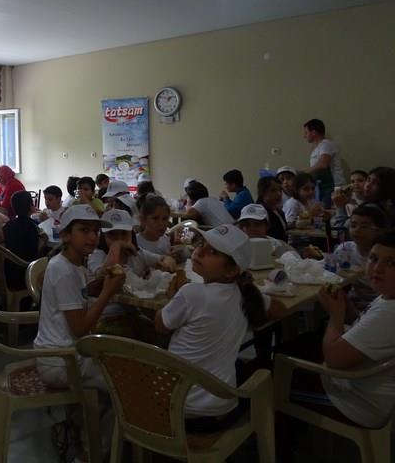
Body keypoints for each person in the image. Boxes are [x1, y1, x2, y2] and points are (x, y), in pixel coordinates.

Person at [154, 225, 284, 431]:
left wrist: (171, 299)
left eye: (213, 251)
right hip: (222, 408)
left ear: (232, 270)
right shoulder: (246, 294)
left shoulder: (191, 293)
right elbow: (279, 309)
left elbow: (160, 326)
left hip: (178, 408)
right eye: (201, 244)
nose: (200, 251)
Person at [33, 205, 124, 462]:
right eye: (84, 230)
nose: (93, 237)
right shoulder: (63, 271)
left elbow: (82, 297)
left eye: (95, 231)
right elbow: (81, 328)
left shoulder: (74, 266)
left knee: (117, 364)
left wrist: (100, 283)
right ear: (65, 235)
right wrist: (108, 292)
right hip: (60, 360)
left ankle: (75, 429)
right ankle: (92, 451)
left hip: (67, 353)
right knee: (125, 385)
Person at [310, 231, 395, 428]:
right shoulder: (387, 296)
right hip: (368, 387)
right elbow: (367, 327)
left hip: (358, 403)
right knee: (308, 340)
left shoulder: (389, 313)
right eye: (374, 258)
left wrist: (336, 314)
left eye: (392, 263)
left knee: (276, 370)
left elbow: (334, 359)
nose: (377, 268)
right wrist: (347, 309)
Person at [3, 191, 45, 286]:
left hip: (9, 271)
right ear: (31, 207)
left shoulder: (8, 225)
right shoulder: (32, 227)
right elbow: (34, 252)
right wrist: (43, 241)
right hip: (26, 273)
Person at [303, 119, 345, 206]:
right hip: (323, 186)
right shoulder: (317, 148)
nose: (304, 136)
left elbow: (323, 164)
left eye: (306, 132)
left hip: (332, 186)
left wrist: (303, 173)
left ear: (313, 132)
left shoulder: (326, 144)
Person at [256, 176, 288, 241]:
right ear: (262, 192)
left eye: (280, 190)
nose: (279, 194)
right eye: (273, 191)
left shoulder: (279, 211)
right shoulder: (260, 212)